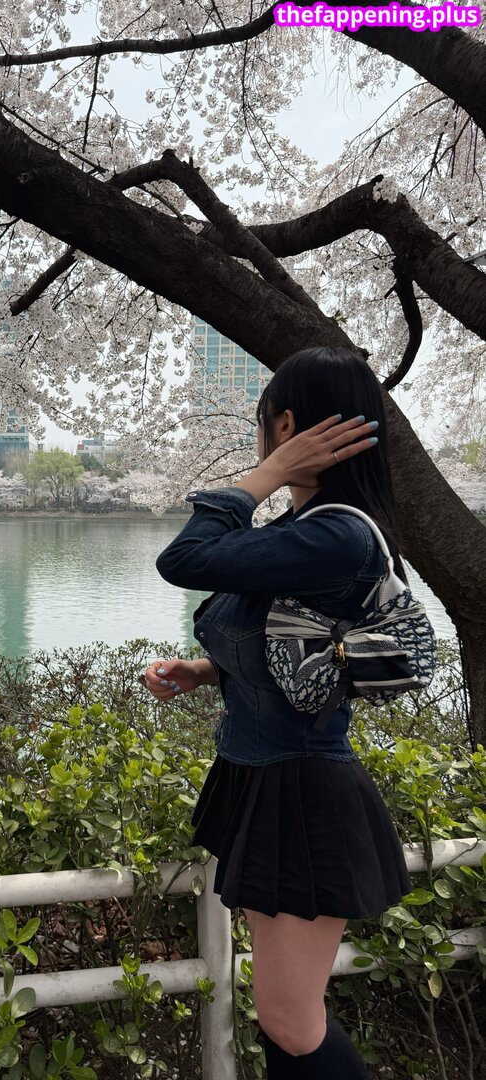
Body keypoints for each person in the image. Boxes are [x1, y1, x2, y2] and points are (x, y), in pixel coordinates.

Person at [145, 347, 412, 1079]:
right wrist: (207, 670)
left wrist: (261, 476)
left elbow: (183, 559)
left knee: (292, 1023)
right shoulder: (305, 531)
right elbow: (298, 650)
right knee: (284, 1019)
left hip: (305, 794)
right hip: (266, 781)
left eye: (263, 424)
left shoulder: (337, 534)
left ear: (286, 425)